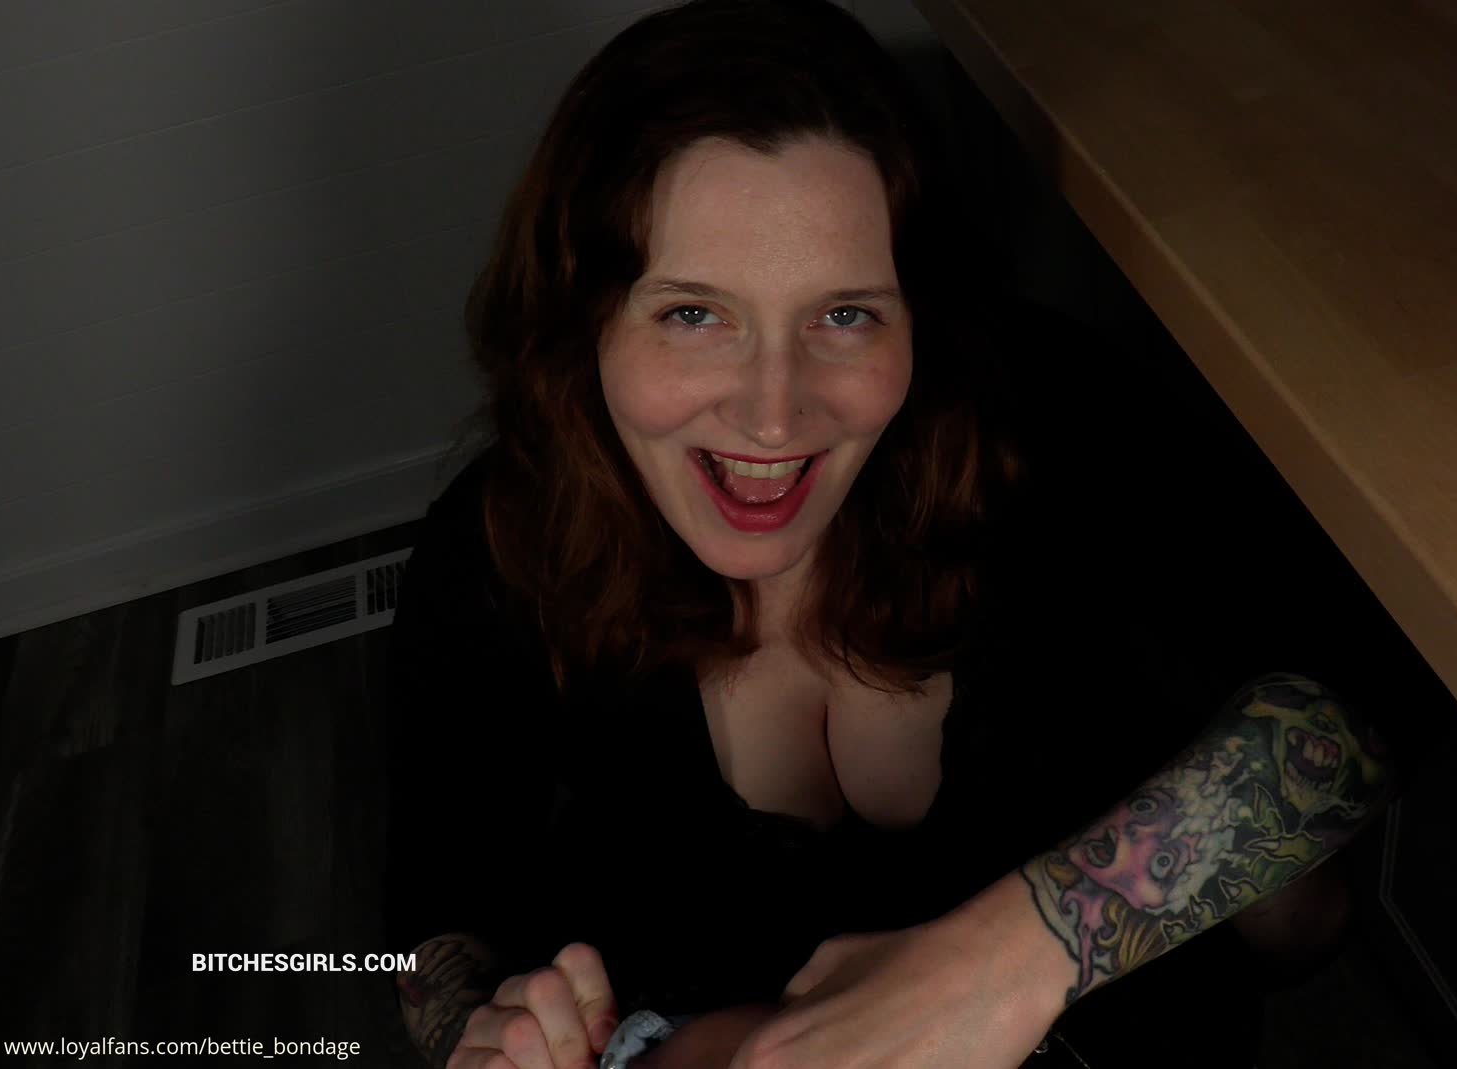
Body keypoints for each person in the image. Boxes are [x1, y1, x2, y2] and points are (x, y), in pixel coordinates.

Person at [381, 2, 1394, 1067]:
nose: (774, 416)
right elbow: (430, 927)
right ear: (585, 318)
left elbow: (1367, 683)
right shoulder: (498, 546)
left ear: (916, 310)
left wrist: (1015, 952)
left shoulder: (1032, 417)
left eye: (845, 314)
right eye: (693, 314)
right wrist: (479, 1032)